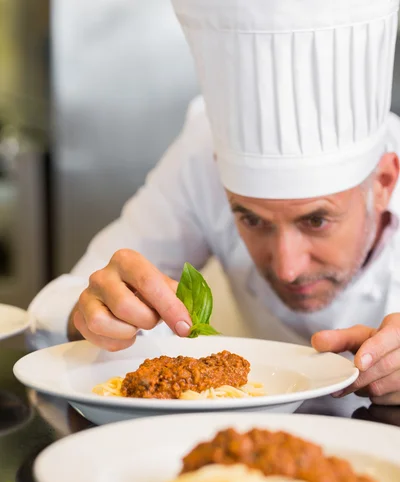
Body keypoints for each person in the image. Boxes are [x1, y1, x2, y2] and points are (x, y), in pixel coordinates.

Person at [29, 0, 400, 405]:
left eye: (316, 221)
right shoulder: (201, 157)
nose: (287, 268)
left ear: (383, 182)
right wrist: (93, 313)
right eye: (252, 220)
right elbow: (58, 305)